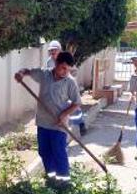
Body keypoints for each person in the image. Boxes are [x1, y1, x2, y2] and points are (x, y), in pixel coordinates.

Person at [15, 51, 81, 186]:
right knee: (44, 151)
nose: (65, 72)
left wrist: (64, 115)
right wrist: (20, 74)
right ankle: (51, 177)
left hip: (59, 125)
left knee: (58, 151)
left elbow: (77, 102)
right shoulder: (44, 75)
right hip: (43, 123)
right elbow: (26, 71)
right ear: (56, 63)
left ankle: (64, 182)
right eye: (63, 68)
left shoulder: (70, 82)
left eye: (68, 70)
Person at [45, 40, 87, 136]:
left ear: (59, 50)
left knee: (74, 106)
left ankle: (81, 124)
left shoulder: (65, 59)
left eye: (54, 50)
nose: (52, 52)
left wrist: (67, 74)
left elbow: (74, 70)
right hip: (56, 88)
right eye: (51, 50)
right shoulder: (49, 62)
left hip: (67, 86)